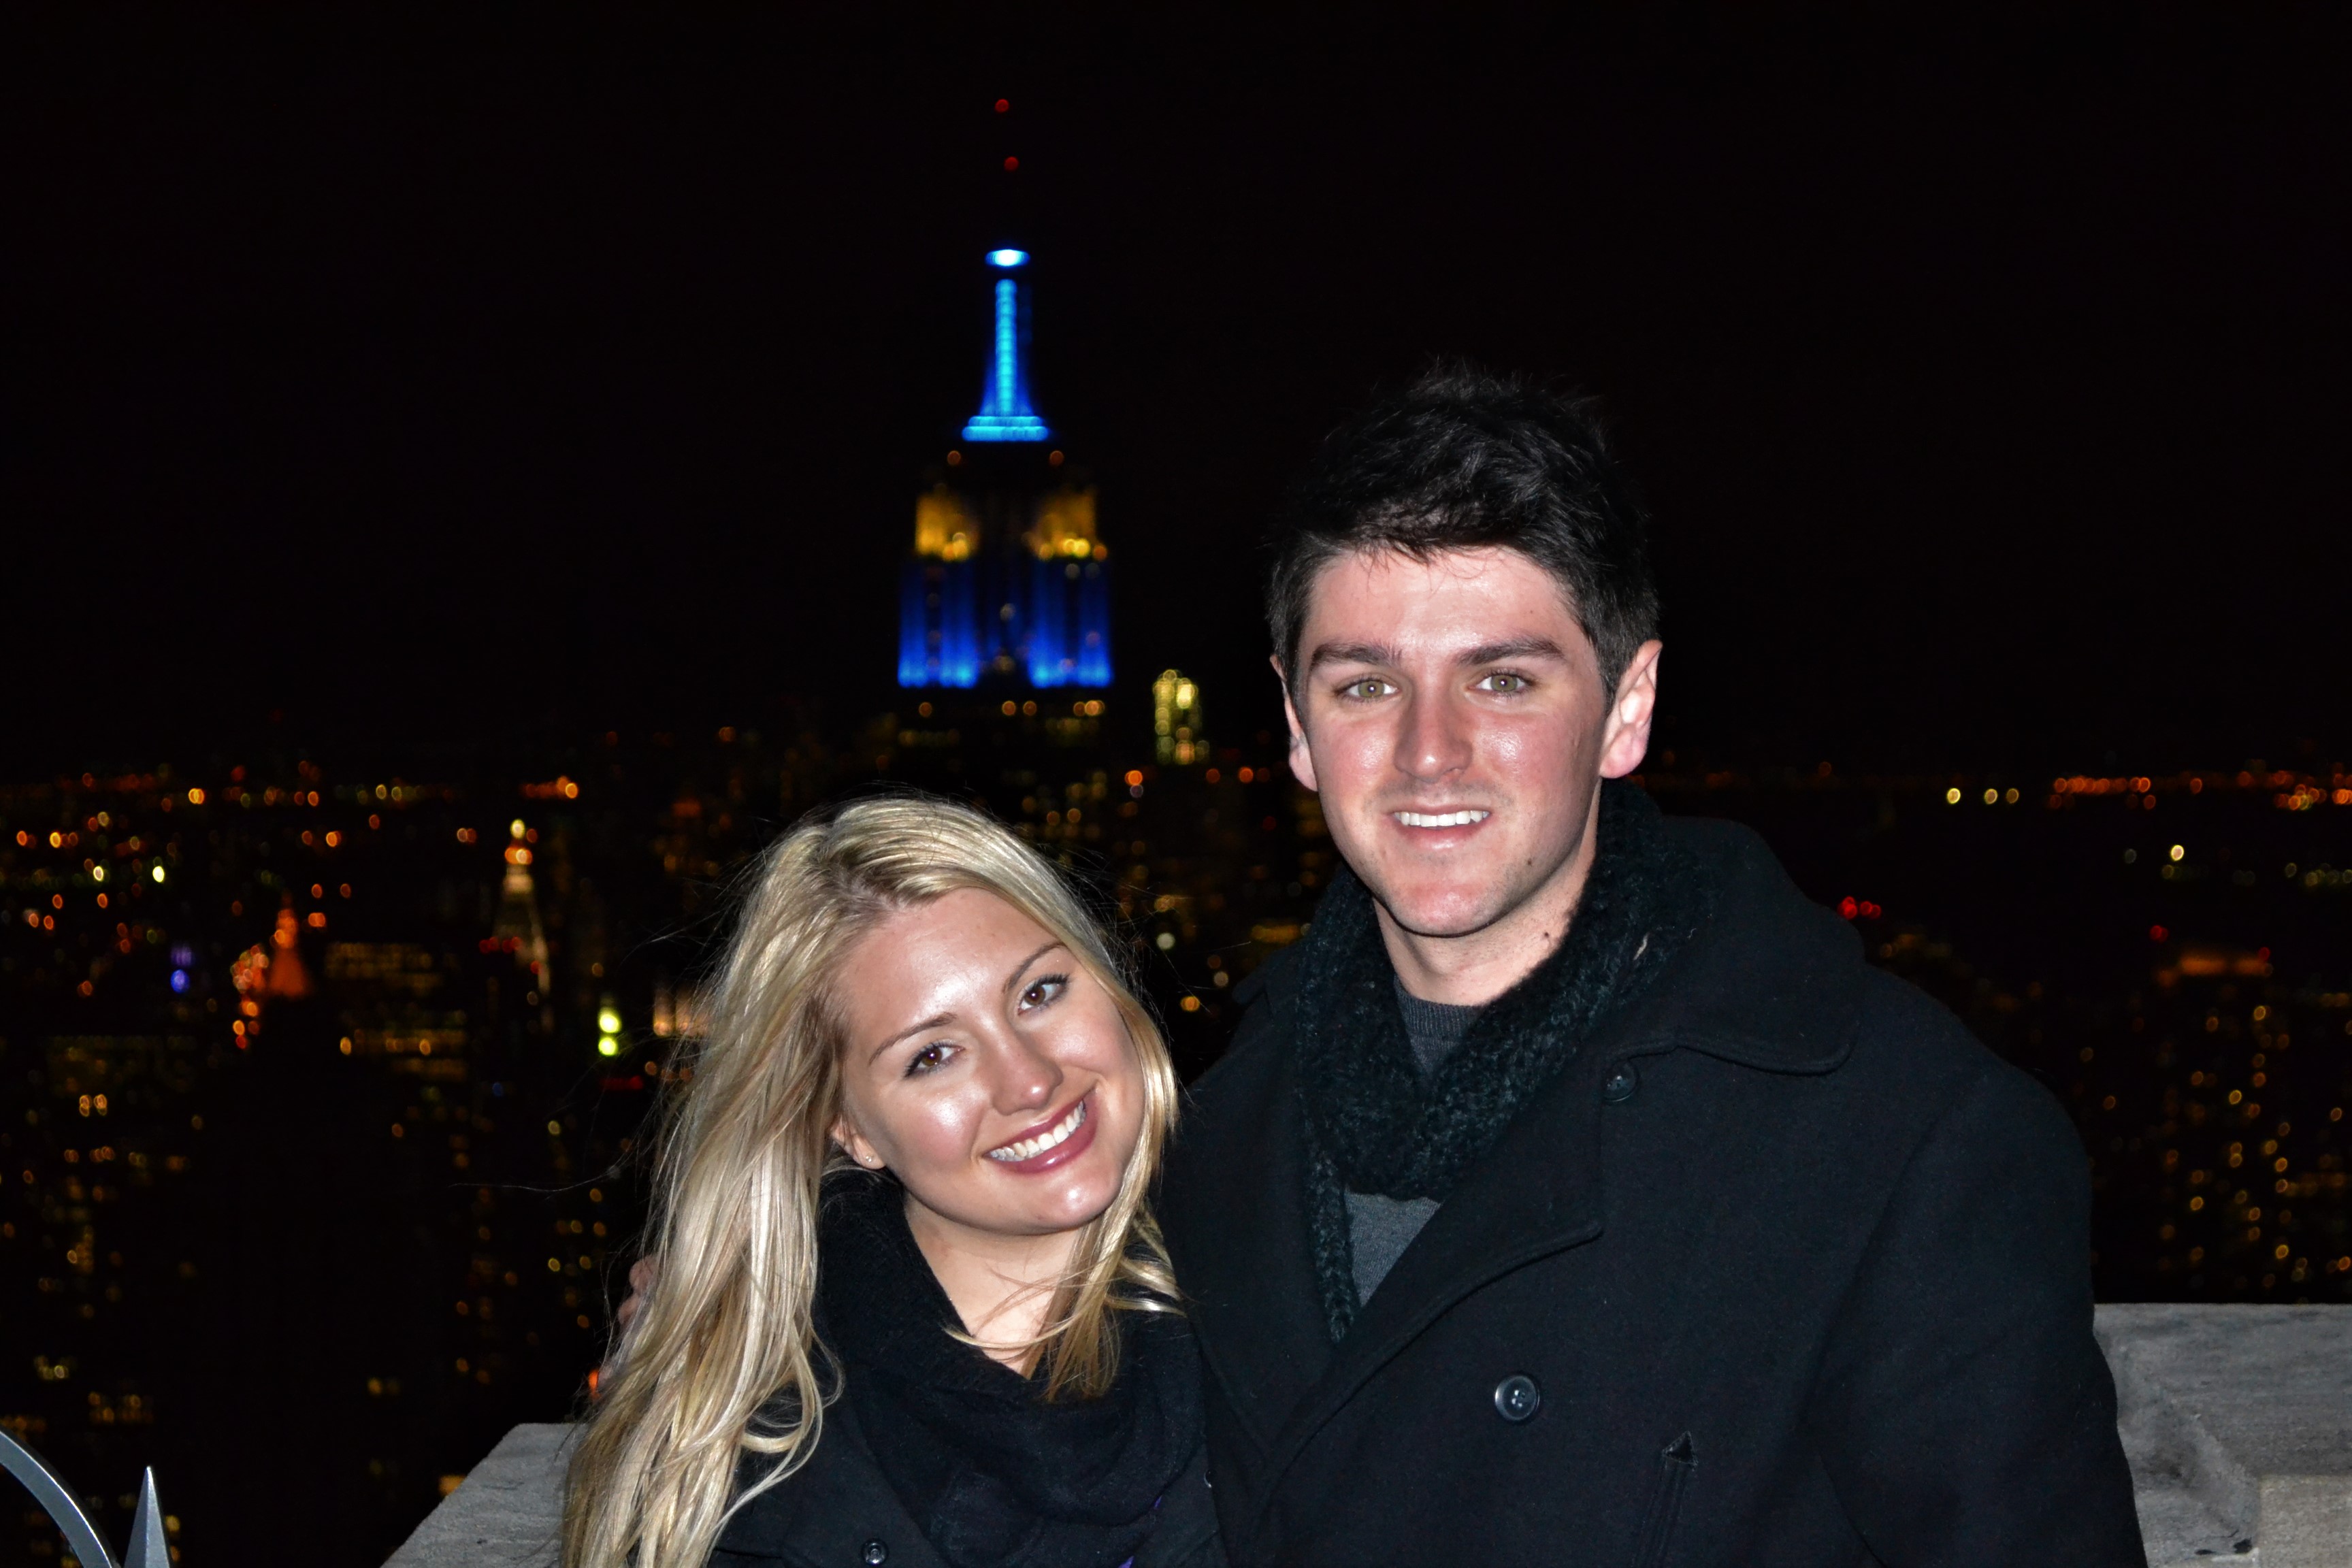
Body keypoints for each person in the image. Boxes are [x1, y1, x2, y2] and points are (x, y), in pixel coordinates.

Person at [1154, 364, 2148, 1565]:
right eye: (1367, 685)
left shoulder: (1904, 1140)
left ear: (1627, 708)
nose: (1428, 751)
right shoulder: (1209, 1129)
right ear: (1298, 726)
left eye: (1502, 680)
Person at [568, 796, 1219, 1568]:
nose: (1030, 1081)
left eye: (1039, 993)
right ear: (847, 1126)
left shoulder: (1278, 1287)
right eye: (932, 1056)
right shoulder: (749, 1436)